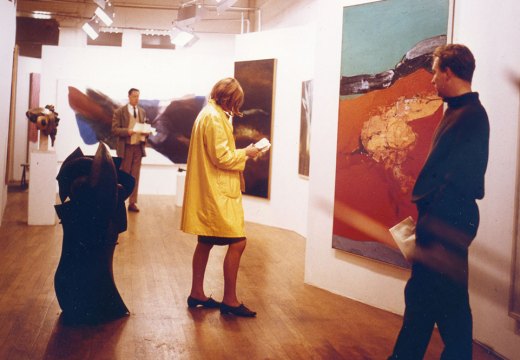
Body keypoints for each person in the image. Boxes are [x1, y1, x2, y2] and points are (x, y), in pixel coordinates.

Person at [388, 44, 489, 360]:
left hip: (449, 222)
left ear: (448, 71)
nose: (431, 80)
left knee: (443, 304)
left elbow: (462, 179)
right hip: (443, 222)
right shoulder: (457, 112)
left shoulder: (472, 116)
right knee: (430, 300)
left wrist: (433, 229)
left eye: (434, 72)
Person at [180, 77, 260, 317]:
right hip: (217, 191)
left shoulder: (208, 113)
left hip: (210, 188)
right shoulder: (215, 118)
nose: (236, 106)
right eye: (236, 101)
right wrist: (247, 152)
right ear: (229, 98)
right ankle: (230, 300)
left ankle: (197, 293)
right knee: (238, 241)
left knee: (205, 240)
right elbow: (222, 157)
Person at [112, 88, 148, 212]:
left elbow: (143, 127)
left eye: (138, 96)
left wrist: (146, 133)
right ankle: (120, 201)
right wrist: (127, 131)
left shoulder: (142, 112)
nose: (136, 99)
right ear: (129, 96)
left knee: (135, 177)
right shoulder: (120, 112)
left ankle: (132, 203)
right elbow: (115, 130)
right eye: (134, 96)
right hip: (126, 148)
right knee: (124, 175)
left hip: (138, 148)